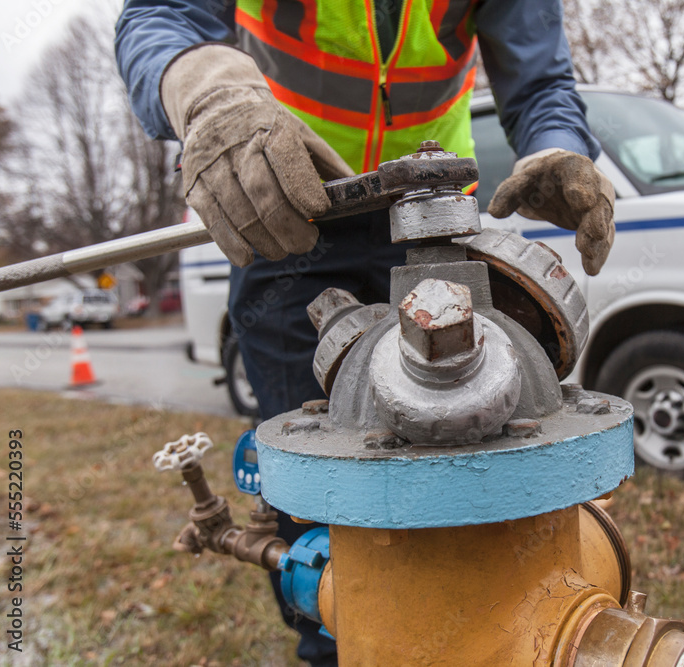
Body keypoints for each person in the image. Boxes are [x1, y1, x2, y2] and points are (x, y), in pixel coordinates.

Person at [115, 1, 615, 664]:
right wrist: (210, 94)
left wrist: (558, 144)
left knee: (474, 442)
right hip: (288, 206)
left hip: (434, 218)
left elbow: (539, 77)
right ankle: (334, 641)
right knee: (316, 479)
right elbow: (163, 14)